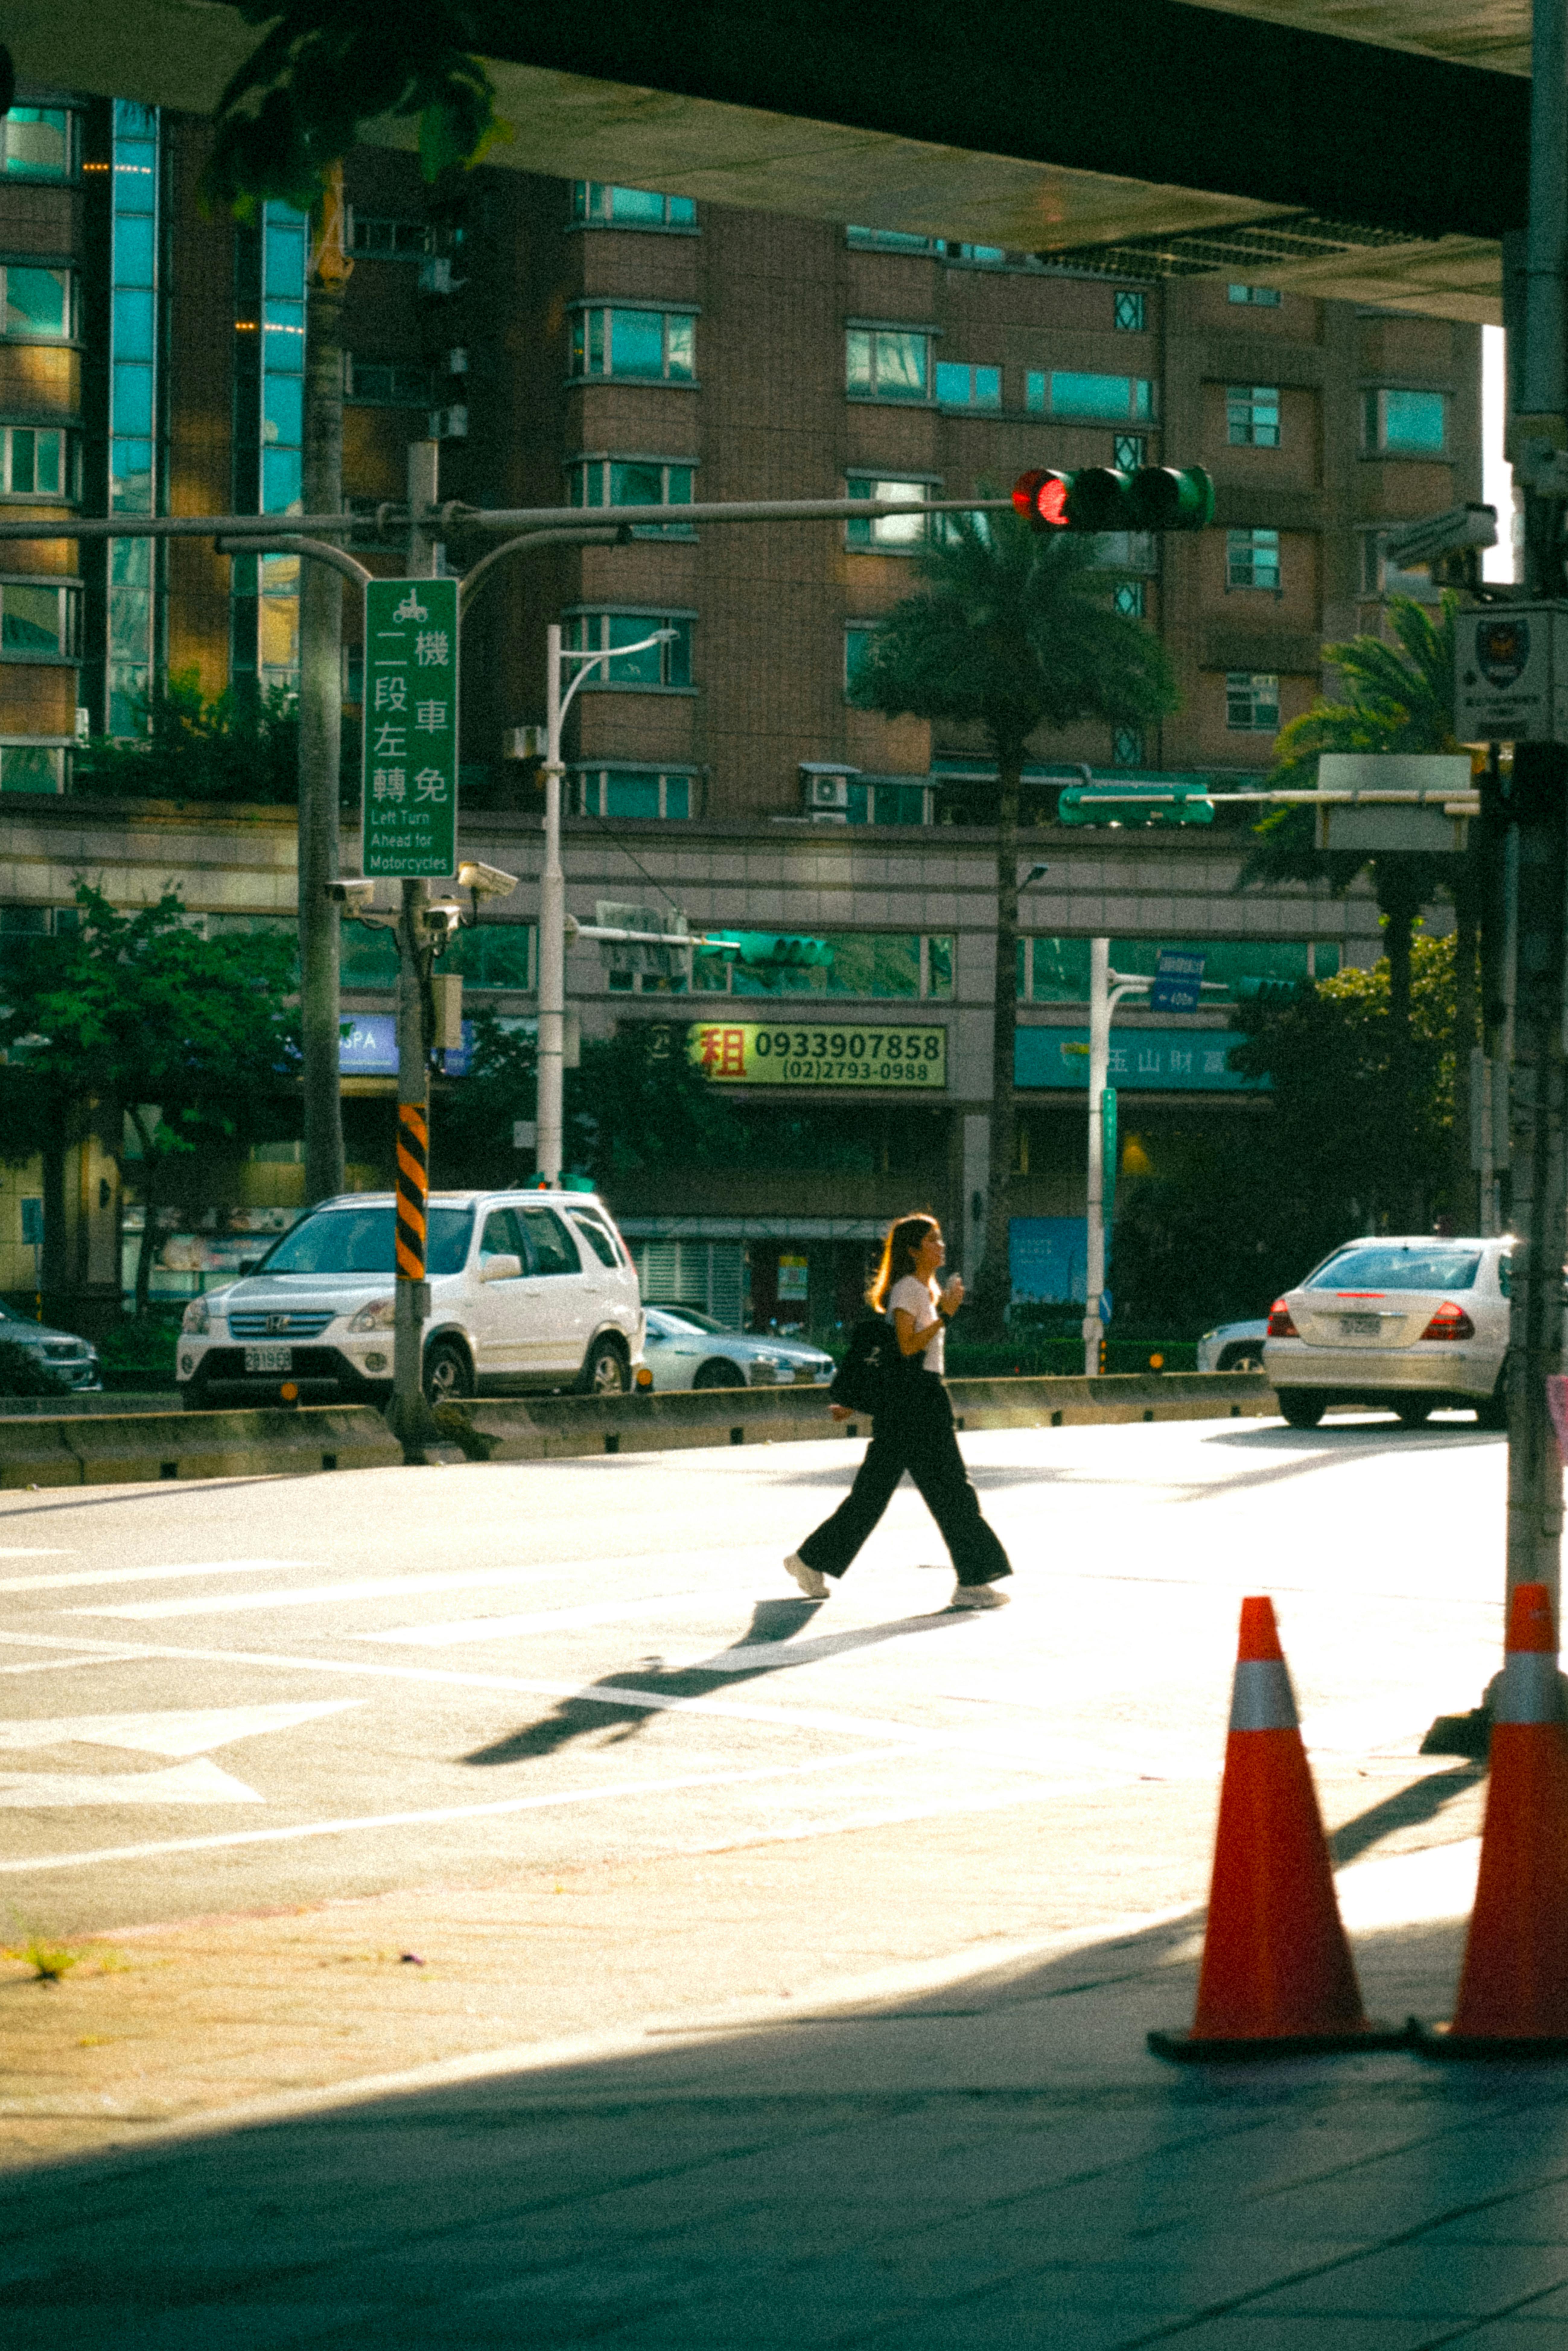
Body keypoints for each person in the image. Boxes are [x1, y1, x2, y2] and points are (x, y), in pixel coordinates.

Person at [784, 1211, 1013, 1610]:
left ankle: (810, 1560)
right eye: (932, 1240)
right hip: (917, 1402)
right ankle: (974, 1581)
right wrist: (946, 1314)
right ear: (913, 1250)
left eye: (940, 1239)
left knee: (880, 1495)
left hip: (914, 1400)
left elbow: (895, 1356)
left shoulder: (922, 1289)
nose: (941, 1246)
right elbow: (907, 1348)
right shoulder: (909, 1290)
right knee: (950, 1492)